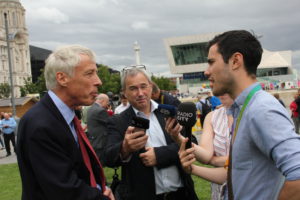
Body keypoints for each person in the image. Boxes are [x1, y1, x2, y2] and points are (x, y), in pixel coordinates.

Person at [202, 30, 300, 200]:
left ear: (235, 61)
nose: (207, 71)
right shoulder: (242, 109)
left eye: (211, 62)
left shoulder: (261, 109)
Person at [16, 45, 114, 200]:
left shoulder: (65, 116)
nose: (98, 81)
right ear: (62, 78)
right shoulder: (41, 125)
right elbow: (64, 190)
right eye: (89, 74)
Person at [104, 67, 198, 200]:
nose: (140, 93)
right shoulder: (117, 121)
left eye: (143, 86)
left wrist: (160, 155)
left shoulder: (170, 113)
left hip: (182, 194)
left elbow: (192, 143)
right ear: (124, 92)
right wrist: (125, 148)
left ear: (151, 87)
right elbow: (108, 158)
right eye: (133, 88)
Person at [167, 94, 233, 200]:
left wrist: (215, 161)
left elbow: (241, 164)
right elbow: (206, 156)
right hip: (219, 192)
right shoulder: (213, 116)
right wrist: (178, 137)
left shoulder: (253, 114)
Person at [87, 93, 110, 165]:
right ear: (103, 101)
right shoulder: (100, 111)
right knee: (98, 165)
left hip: (93, 140)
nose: (107, 104)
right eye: (107, 102)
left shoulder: (91, 108)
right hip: (99, 142)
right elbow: (110, 122)